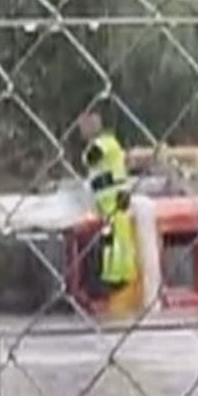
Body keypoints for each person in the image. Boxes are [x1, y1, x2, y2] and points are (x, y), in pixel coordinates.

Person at [77, 112, 138, 293]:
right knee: (115, 235)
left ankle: (115, 276)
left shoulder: (103, 143)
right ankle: (116, 274)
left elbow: (89, 158)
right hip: (111, 196)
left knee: (114, 237)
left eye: (83, 127)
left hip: (113, 195)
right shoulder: (105, 143)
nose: (81, 131)